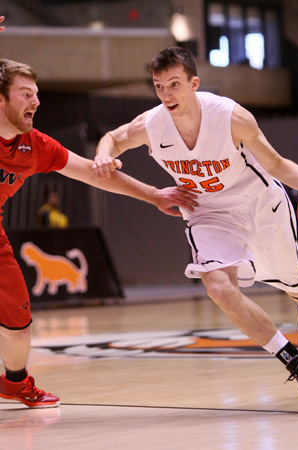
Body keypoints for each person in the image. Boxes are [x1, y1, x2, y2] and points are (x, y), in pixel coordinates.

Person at [94, 46, 298, 408]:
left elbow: (278, 164)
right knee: (218, 287)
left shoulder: (232, 117)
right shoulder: (151, 125)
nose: (166, 95)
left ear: (194, 83)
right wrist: (102, 154)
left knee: (293, 280)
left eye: (174, 84)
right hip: (206, 212)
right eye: (159, 86)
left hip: (257, 202)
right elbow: (113, 136)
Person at [0, 47, 198, 406]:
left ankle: (14, 382)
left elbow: (94, 173)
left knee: (19, 324)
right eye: (26, 94)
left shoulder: (34, 146)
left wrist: (154, 194)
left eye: (37, 94)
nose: (36, 101)